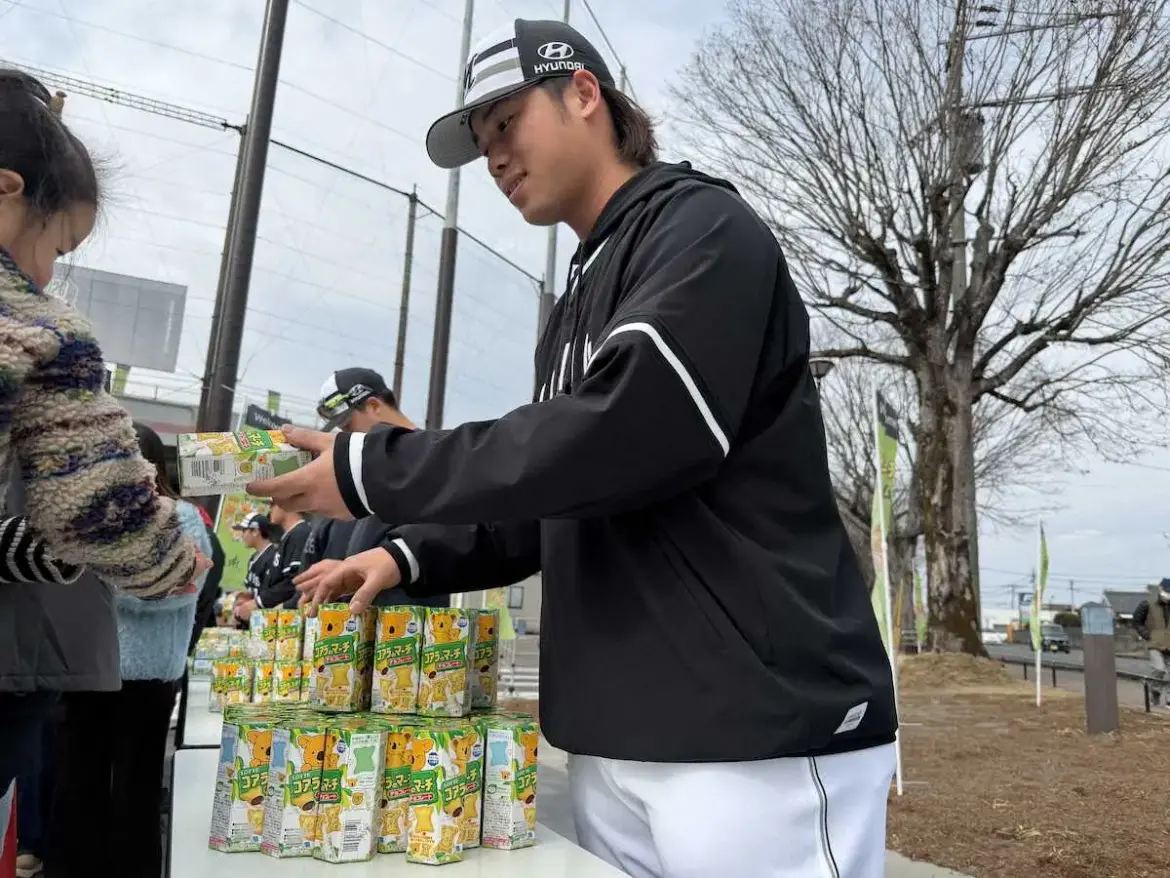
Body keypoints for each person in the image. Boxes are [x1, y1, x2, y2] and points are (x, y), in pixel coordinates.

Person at [250, 18, 897, 878]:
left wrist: (373, 468)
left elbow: (625, 433)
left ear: (584, 94)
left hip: (753, 734)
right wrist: (404, 557)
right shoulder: (580, 294)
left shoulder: (703, 227)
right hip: (615, 731)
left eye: (506, 125)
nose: (495, 160)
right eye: (482, 145)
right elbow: (554, 494)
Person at [0, 70, 202, 853]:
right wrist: (169, 564)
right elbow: (98, 505)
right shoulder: (34, 320)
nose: (49, 271)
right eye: (55, 245)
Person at [51, 423, 211, 878]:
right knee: (79, 779)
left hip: (144, 674)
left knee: (134, 787)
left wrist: (108, 585)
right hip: (88, 666)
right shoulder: (90, 514)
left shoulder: (180, 517)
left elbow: (186, 591)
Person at [313, 368, 448, 608]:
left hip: (413, 630)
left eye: (347, 425)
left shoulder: (434, 458)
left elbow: (442, 544)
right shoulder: (372, 473)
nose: (345, 437)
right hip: (369, 627)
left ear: (375, 406)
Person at [228, 512, 275, 626]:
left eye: (244, 531)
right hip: (250, 619)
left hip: (266, 622)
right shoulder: (254, 558)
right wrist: (243, 596)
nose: (242, 535)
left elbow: (271, 594)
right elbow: (254, 590)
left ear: (255, 531)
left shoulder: (273, 556)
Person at [1133, 580, 1170, 709]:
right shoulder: (1147, 604)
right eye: (1167, 591)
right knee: (1159, 669)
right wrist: (1146, 634)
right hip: (1155, 643)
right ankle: (1155, 691)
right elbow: (1137, 621)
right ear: (1160, 589)